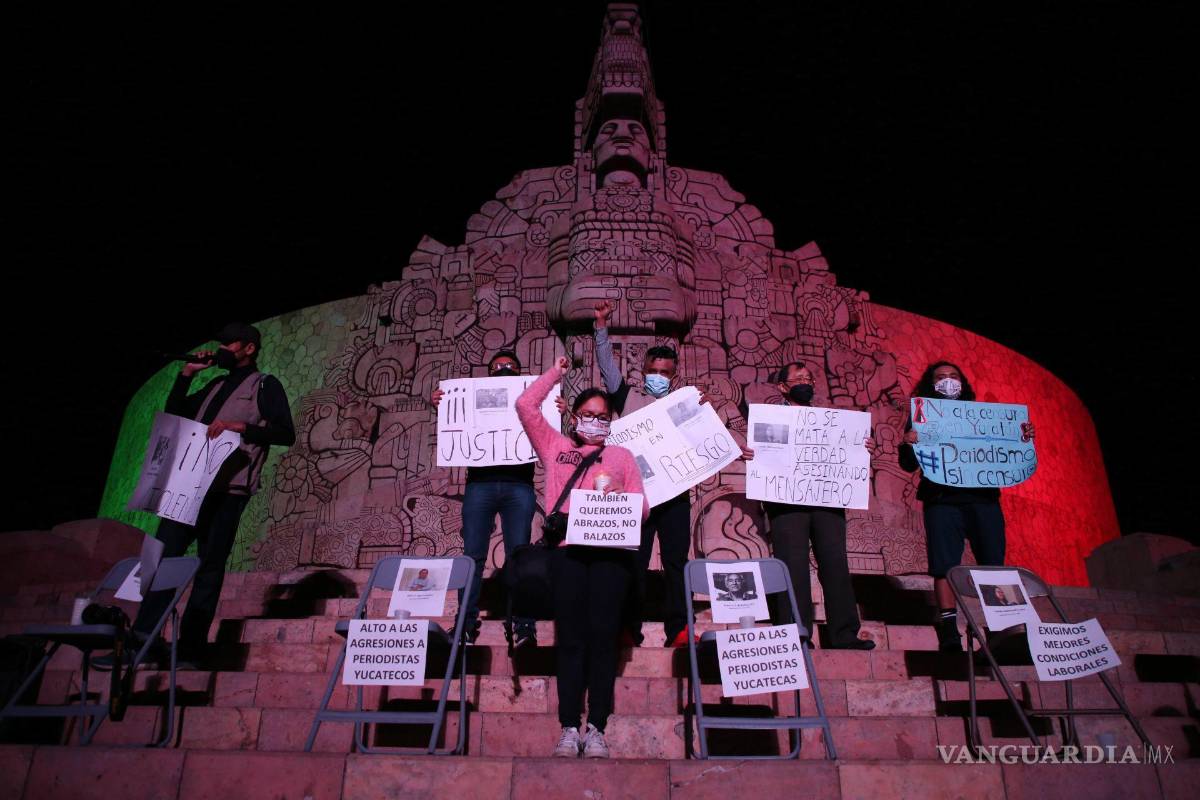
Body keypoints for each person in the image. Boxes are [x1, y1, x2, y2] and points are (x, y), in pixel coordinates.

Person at [98, 323, 295, 670]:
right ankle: (144, 641)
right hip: (186, 486)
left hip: (226, 489)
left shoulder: (263, 384)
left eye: (228, 343)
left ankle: (190, 650)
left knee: (209, 566)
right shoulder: (213, 384)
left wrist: (242, 427)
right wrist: (187, 375)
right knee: (159, 559)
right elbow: (175, 414)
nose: (221, 348)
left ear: (248, 348)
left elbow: (285, 433)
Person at [516, 355, 649, 759]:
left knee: (603, 640)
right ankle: (569, 726)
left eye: (603, 416)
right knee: (570, 639)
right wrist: (556, 373)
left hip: (610, 558)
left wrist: (615, 503)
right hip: (568, 556)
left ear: (610, 422)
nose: (596, 421)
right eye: (589, 415)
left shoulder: (622, 457)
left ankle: (597, 728)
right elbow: (525, 406)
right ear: (574, 417)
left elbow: (642, 507)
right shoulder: (554, 446)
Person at [898, 360, 1036, 651]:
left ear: (963, 382)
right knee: (944, 566)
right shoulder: (921, 417)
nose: (948, 381)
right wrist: (909, 443)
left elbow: (1007, 453)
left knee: (995, 565)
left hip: (983, 499)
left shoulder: (984, 418)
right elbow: (908, 463)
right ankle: (949, 631)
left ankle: (1005, 628)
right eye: (941, 377)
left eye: (953, 376)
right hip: (942, 500)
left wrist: (1021, 439)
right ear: (930, 384)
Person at [744, 362, 875, 650]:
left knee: (835, 563)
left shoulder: (832, 421)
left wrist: (859, 448)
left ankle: (844, 634)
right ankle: (794, 633)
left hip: (827, 499)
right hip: (786, 500)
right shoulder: (771, 418)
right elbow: (761, 453)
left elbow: (849, 450)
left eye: (809, 378)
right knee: (792, 564)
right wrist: (752, 453)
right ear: (782, 387)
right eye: (798, 378)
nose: (805, 382)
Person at [591, 300, 694, 648]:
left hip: (676, 494)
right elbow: (606, 368)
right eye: (655, 370)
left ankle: (678, 628)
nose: (659, 377)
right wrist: (601, 328)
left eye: (666, 373)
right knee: (633, 560)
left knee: (676, 562)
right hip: (639, 495)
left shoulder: (687, 405)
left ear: (673, 376)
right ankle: (628, 627)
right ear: (644, 370)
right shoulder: (627, 397)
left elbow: (707, 441)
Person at [431, 350, 538, 648]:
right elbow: (455, 424)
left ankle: (524, 625)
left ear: (520, 373)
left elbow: (547, 431)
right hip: (480, 485)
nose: (504, 369)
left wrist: (559, 409)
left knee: (520, 556)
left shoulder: (531, 402)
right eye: (498, 367)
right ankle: (465, 625)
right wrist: (440, 405)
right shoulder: (472, 401)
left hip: (519, 485)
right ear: (489, 373)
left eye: (511, 367)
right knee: (472, 556)